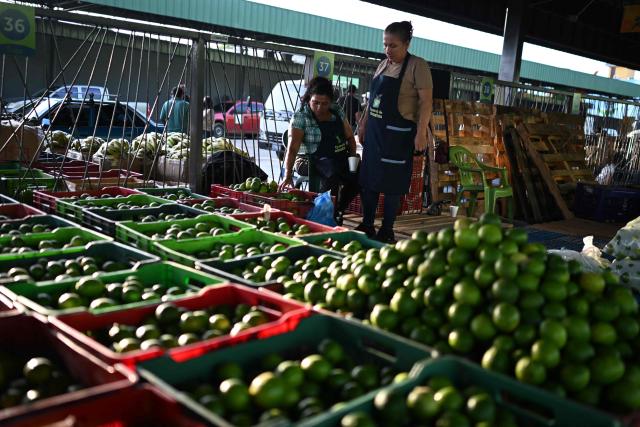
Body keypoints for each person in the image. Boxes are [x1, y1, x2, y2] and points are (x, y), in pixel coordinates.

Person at [356, 21, 433, 243]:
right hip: (376, 132)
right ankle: (367, 223)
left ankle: (387, 229)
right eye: (385, 45)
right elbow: (372, 100)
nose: (388, 50)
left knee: (392, 182)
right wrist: (363, 123)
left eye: (393, 46)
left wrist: (420, 133)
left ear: (407, 44)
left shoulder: (418, 66)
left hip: (399, 134)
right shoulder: (382, 65)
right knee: (368, 179)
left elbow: (426, 102)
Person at [279, 77, 359, 225]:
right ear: (309, 98)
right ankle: (325, 213)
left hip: (338, 157)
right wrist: (288, 175)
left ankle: (338, 209)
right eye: (315, 102)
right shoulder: (301, 117)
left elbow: (350, 138)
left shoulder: (337, 111)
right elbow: (292, 148)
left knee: (360, 174)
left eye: (325, 104)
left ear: (331, 102)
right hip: (309, 159)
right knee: (332, 173)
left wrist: (353, 159)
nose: (319, 108)